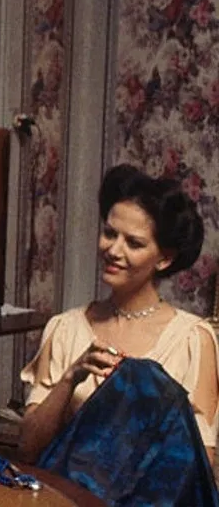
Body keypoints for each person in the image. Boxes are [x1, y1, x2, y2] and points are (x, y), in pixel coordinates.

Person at [19, 163, 217, 464]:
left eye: (133, 243)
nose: (113, 250)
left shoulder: (192, 340)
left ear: (164, 259)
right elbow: (28, 450)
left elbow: (200, 464)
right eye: (110, 233)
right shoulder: (65, 328)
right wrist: (70, 378)